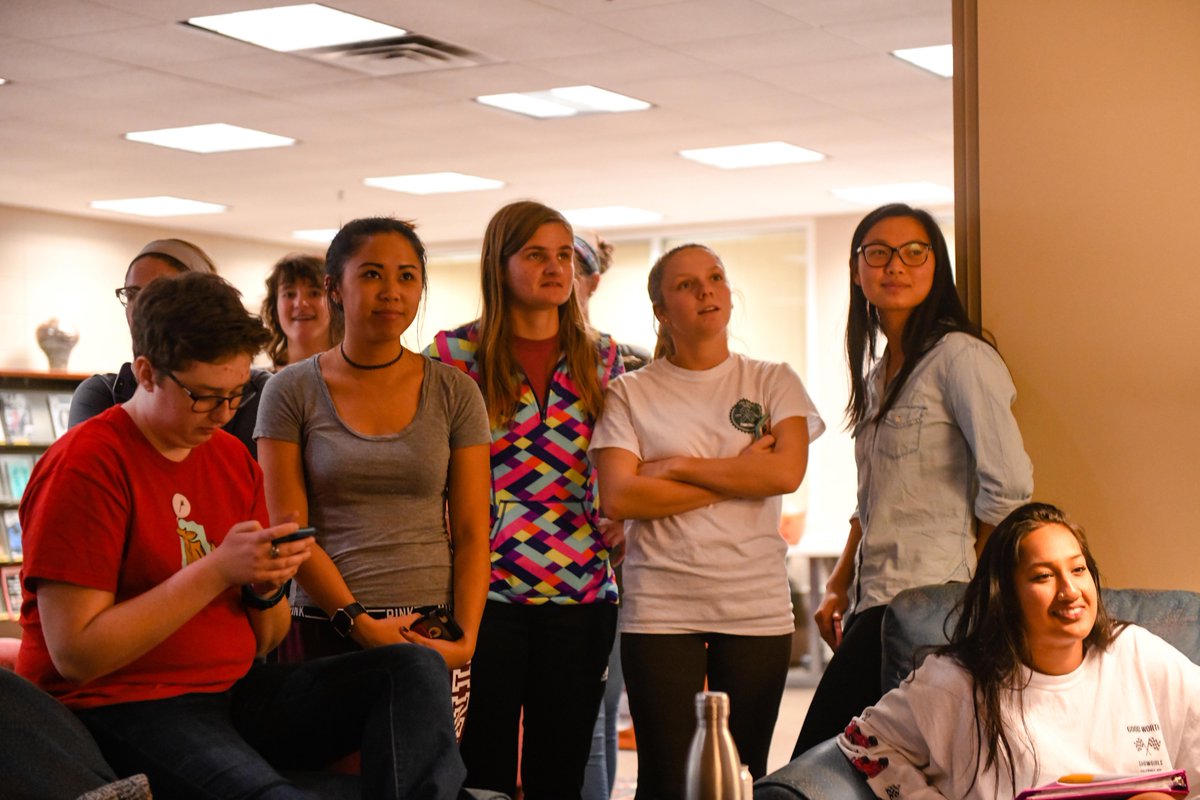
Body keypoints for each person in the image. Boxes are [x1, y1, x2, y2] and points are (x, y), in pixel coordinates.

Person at [16, 271, 468, 799]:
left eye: (235, 395)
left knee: (411, 668)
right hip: (121, 705)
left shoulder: (230, 457)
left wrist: (265, 583)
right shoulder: (87, 465)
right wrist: (216, 570)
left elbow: (269, 638)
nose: (224, 414)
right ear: (146, 373)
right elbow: (77, 655)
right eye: (204, 397)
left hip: (233, 692)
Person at [792, 203, 1034, 756]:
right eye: (877, 253)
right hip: (872, 603)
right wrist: (836, 582)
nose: (894, 266)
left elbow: (1011, 488)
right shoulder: (880, 375)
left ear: (935, 265)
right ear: (858, 270)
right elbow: (873, 500)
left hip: (934, 608)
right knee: (877, 768)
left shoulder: (961, 358)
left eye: (913, 252)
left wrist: (972, 588)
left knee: (819, 758)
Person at [590, 243, 824, 799]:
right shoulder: (630, 392)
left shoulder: (773, 381)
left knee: (741, 775)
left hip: (754, 605)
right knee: (668, 779)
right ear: (661, 311)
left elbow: (785, 473)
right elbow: (620, 496)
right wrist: (739, 472)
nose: (706, 291)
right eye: (686, 284)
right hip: (662, 607)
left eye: (715, 277)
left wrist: (678, 469)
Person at [256, 218, 491, 738]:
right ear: (333, 288)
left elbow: (474, 531)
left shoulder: (455, 391)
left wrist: (467, 637)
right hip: (324, 622)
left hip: (431, 628)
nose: (391, 292)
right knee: (330, 785)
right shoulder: (290, 391)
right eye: (371, 275)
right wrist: (359, 625)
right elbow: (289, 528)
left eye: (407, 277)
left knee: (420, 784)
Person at [426, 200, 622, 800]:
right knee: (479, 768)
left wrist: (623, 514)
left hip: (582, 589)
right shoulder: (452, 356)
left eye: (563, 255)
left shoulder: (605, 356)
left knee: (559, 769)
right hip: (483, 590)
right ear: (499, 263)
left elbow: (624, 460)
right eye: (536, 254)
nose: (555, 268)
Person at [837, 502, 1200, 800]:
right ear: (1005, 596)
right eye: (1044, 576)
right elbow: (863, 742)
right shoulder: (955, 682)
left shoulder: (1136, 654)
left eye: (1078, 569)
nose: (1070, 590)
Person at [69, 238, 271, 458]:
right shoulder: (100, 398)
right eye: (133, 294)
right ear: (146, 374)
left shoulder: (254, 400)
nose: (141, 308)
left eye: (161, 294)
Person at [260, 252, 342, 370]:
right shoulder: (256, 384)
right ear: (275, 308)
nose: (300, 303)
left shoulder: (361, 378)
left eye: (314, 293)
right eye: (289, 294)